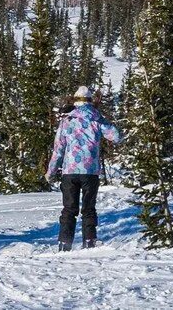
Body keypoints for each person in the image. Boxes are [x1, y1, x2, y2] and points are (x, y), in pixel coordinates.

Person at [46, 85, 122, 250]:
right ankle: (89, 242)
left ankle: (64, 243)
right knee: (88, 209)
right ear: (90, 100)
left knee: (69, 209)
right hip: (90, 171)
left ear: (75, 101)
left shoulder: (67, 120)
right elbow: (116, 137)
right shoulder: (96, 118)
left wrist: (51, 172)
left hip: (70, 171)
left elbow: (58, 149)